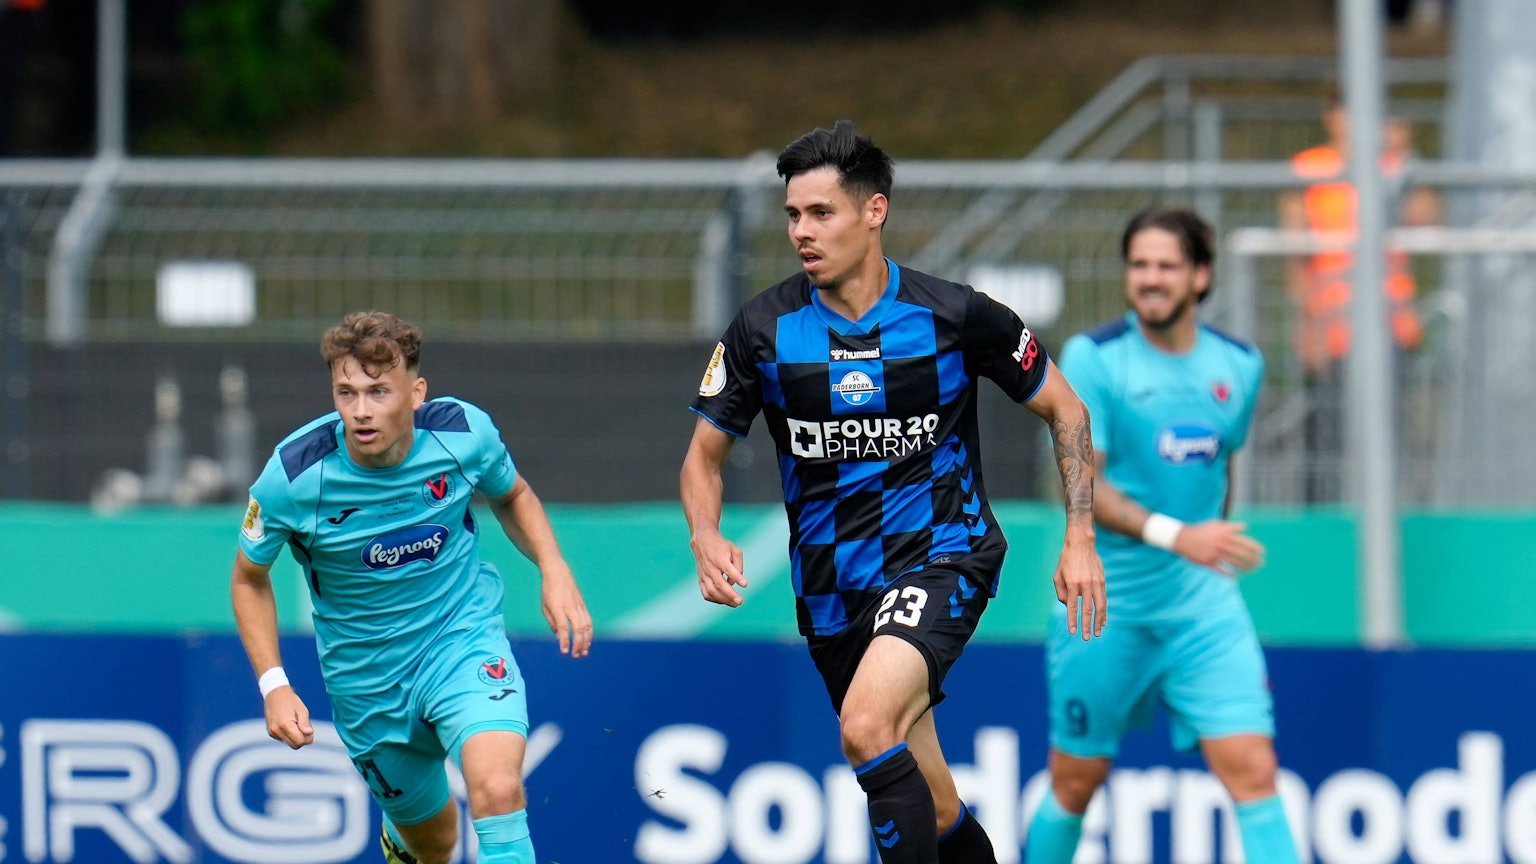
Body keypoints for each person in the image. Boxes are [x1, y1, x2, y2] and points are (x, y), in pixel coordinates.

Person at [680, 120, 1107, 864]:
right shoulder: (764, 329)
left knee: (867, 726)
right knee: (933, 803)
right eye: (793, 215)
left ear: (874, 211)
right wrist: (705, 532)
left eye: (822, 213)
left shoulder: (955, 316)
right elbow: (702, 458)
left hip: (942, 556)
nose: (802, 232)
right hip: (832, 592)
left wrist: (1080, 536)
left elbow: (1066, 409)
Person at [229, 311, 592, 864]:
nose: (361, 411)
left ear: (416, 393)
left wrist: (554, 566)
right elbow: (248, 578)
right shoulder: (294, 477)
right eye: (346, 393)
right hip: (367, 685)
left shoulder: (463, 435)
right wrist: (273, 684)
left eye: (378, 392)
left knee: (498, 789)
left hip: (460, 643)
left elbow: (512, 494)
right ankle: (401, 843)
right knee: (435, 843)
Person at [1023, 207, 1297, 863]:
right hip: (1104, 608)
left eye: (1167, 266)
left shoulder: (1240, 366)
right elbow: (1084, 484)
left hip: (1202, 609)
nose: (1150, 278)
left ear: (1200, 276)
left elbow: (1220, 468)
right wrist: (1179, 536)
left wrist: (1199, 548)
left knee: (1255, 772)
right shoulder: (1095, 359)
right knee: (1075, 782)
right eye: (1139, 265)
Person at [1278, 92, 1440, 501]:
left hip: (1390, 325)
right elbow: (1295, 256)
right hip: (1331, 326)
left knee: (1394, 437)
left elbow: (1427, 221)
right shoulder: (1310, 167)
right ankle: (1322, 519)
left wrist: (1405, 156)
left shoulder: (1392, 165)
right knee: (1327, 440)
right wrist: (1307, 325)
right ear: (1331, 117)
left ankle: (1398, 514)